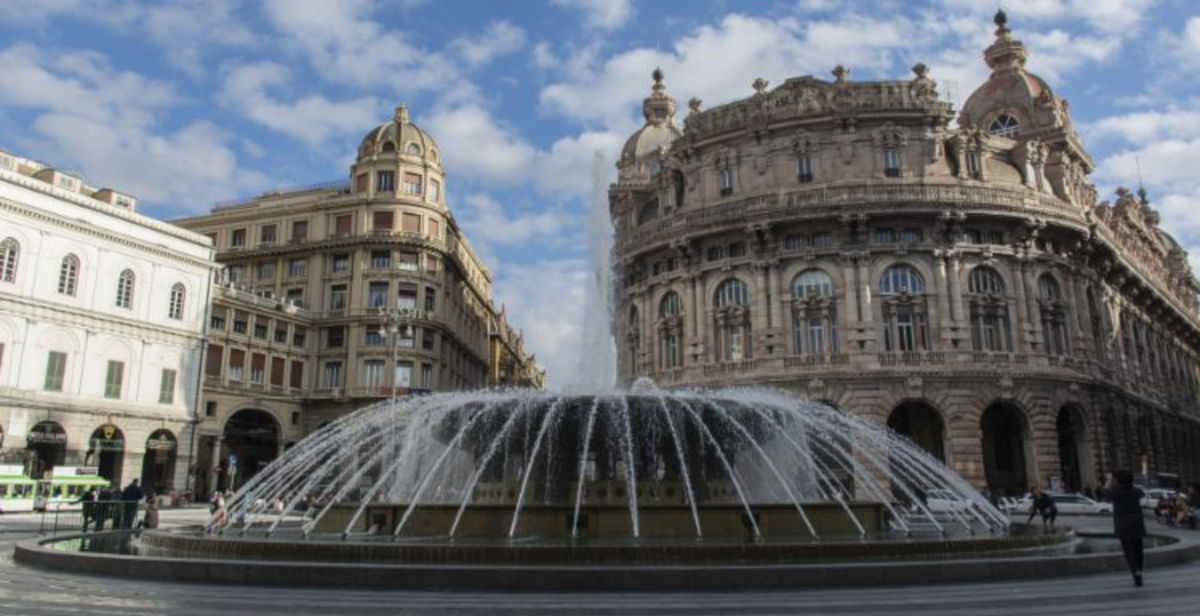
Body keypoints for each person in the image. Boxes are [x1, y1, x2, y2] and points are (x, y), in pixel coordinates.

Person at [1107, 469, 1146, 586]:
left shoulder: (1114, 492)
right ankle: (1139, 570)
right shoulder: (1136, 491)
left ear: (1117, 480)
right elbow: (1142, 494)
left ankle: (1135, 573)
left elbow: (1103, 491)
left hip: (1123, 525)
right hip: (1137, 524)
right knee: (1138, 550)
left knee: (1128, 550)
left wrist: (1109, 481)